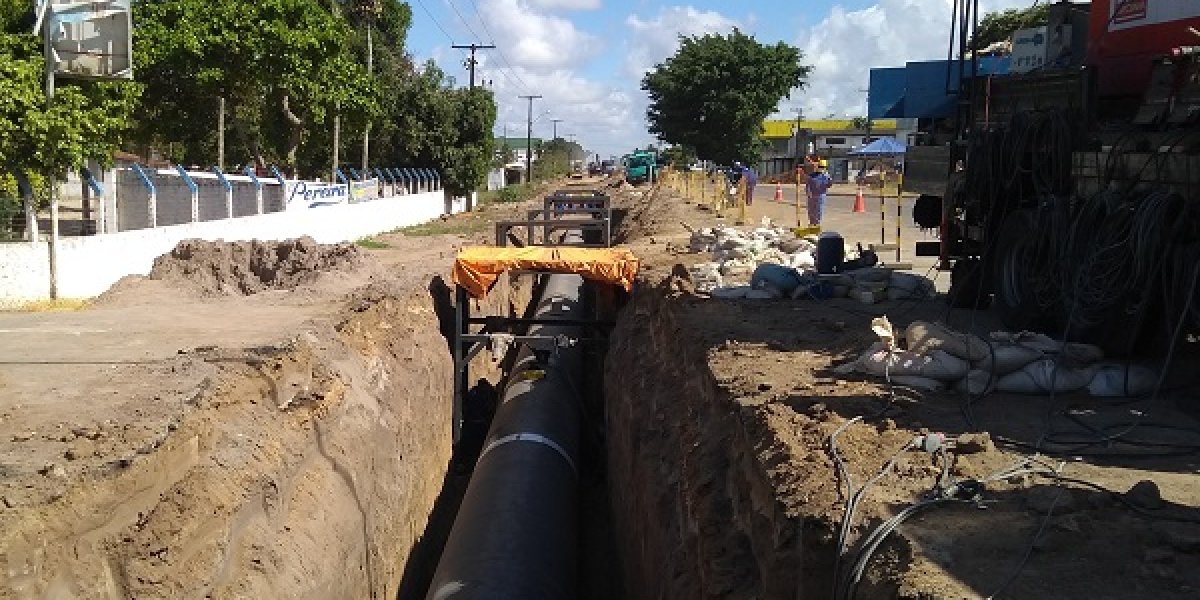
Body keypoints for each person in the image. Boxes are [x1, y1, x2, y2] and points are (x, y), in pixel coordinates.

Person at [805, 159, 833, 226]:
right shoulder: (812, 175)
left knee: (818, 211)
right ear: (818, 167)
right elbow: (808, 185)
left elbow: (829, 185)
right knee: (811, 211)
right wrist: (808, 193)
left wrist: (829, 178)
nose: (822, 169)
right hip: (812, 195)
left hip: (821, 196)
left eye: (823, 167)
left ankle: (816, 225)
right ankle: (811, 224)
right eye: (820, 167)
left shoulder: (826, 176)